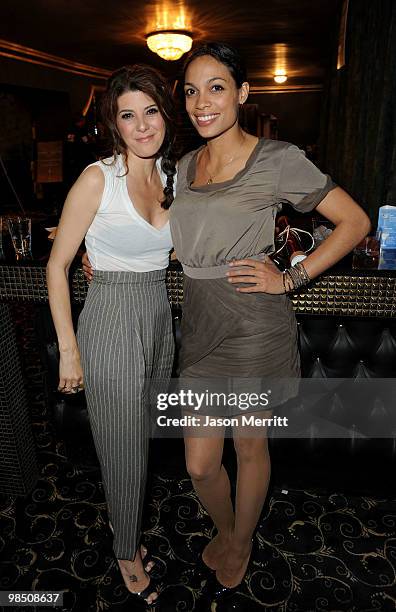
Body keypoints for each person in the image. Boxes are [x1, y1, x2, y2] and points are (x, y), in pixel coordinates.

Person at [167, 42, 371, 598]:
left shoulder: (277, 159)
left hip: (256, 326)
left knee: (250, 446)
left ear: (242, 93)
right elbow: (182, 240)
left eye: (216, 87)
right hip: (204, 329)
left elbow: (354, 223)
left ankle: (240, 539)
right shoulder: (185, 166)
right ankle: (229, 527)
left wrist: (290, 277)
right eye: (191, 90)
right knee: (201, 464)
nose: (201, 102)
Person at [47, 64, 177, 606]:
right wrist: (69, 353)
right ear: (114, 124)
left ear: (166, 114)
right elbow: (55, 268)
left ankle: (129, 530)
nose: (142, 125)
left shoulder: (175, 176)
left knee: (141, 438)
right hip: (111, 319)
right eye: (129, 115)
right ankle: (126, 553)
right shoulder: (98, 178)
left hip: (157, 314)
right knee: (123, 450)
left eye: (150, 111)